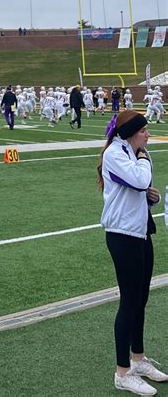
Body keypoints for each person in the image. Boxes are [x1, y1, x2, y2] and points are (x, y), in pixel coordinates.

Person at [98, 109, 167, 395]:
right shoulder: (116, 153)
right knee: (129, 301)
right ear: (130, 133)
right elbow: (139, 180)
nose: (148, 134)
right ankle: (122, 371)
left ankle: (138, 359)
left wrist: (154, 198)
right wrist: (143, 160)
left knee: (140, 299)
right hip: (122, 235)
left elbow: (141, 189)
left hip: (140, 231)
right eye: (144, 131)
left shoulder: (133, 152)